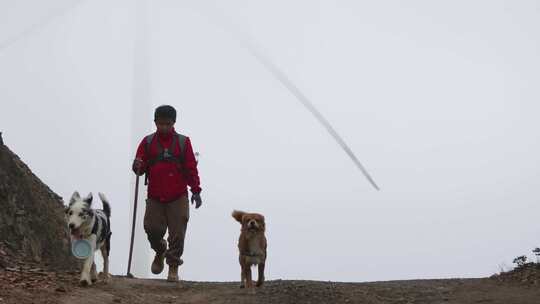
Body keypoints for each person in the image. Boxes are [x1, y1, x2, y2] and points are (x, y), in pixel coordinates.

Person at [132, 105, 202, 282]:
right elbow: (140, 167)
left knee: (177, 232)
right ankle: (160, 250)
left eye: (167, 124)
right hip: (155, 196)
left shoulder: (183, 142)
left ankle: (173, 267)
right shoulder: (147, 142)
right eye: (160, 123)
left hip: (178, 195)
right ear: (155, 122)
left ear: (174, 123)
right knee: (151, 228)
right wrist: (137, 165)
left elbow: (191, 167)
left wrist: (196, 190)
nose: (164, 127)